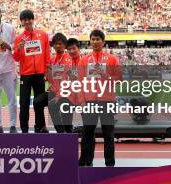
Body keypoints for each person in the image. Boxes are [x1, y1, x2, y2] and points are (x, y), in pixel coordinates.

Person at [78, 29, 121, 167]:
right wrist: (82, 102)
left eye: (98, 39)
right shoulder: (84, 60)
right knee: (87, 134)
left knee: (108, 134)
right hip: (89, 102)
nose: (95, 42)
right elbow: (79, 83)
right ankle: (86, 162)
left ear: (103, 42)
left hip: (106, 101)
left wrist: (105, 75)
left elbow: (119, 79)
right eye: (93, 39)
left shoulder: (112, 59)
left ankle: (109, 164)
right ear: (90, 41)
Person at [13, 9, 51, 133]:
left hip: (39, 74)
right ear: (22, 22)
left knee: (38, 102)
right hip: (25, 75)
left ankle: (40, 127)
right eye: (25, 20)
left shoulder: (43, 35)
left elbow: (47, 54)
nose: (27, 21)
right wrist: (18, 49)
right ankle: (24, 129)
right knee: (24, 103)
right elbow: (16, 58)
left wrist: (47, 70)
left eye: (29, 19)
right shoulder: (19, 38)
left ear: (32, 20)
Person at [39, 33, 74, 133]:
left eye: (60, 43)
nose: (58, 46)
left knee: (54, 106)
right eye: (55, 44)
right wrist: (46, 75)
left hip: (66, 92)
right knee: (37, 102)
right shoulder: (51, 59)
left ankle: (63, 131)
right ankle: (42, 127)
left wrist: (59, 95)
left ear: (65, 45)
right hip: (53, 90)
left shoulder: (69, 59)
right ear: (53, 45)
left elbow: (68, 79)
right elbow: (49, 78)